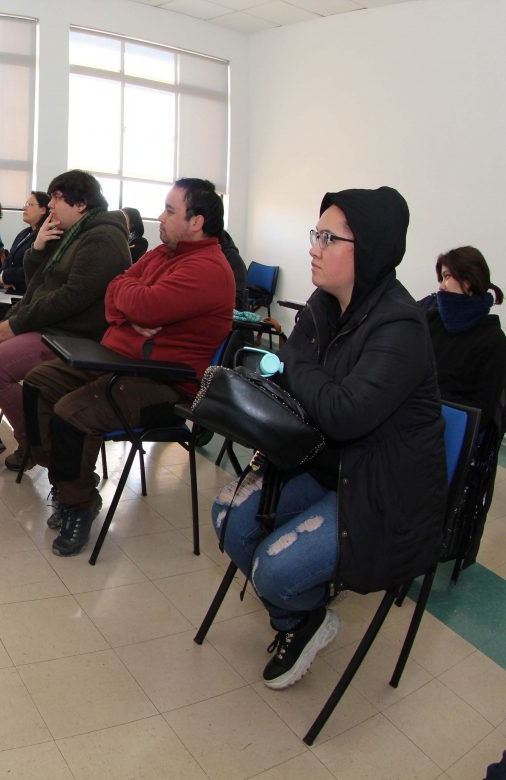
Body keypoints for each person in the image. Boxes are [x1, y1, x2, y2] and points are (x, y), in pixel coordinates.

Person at [212, 186, 445, 691]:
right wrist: (300, 369)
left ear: (371, 250)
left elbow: (341, 414)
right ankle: (300, 615)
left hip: (384, 493)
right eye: (314, 234)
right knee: (229, 516)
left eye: (328, 237)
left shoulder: (400, 326)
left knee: (274, 569)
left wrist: (297, 362)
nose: (313, 248)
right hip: (325, 464)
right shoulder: (323, 305)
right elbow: (309, 391)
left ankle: (302, 611)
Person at [24, 178, 235, 556]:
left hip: (164, 384)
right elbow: (116, 286)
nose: (160, 217)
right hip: (119, 362)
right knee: (39, 384)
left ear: (197, 221)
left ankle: (78, 503)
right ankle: (69, 481)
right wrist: (131, 306)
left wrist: (133, 307)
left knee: (72, 413)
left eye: (170, 211)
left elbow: (143, 305)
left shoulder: (207, 269)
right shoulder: (163, 254)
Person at [0, 171, 129, 471]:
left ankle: (34, 441)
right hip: (49, 325)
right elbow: (38, 285)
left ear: (81, 204)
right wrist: (38, 249)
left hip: (72, 336)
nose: (51, 206)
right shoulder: (72, 233)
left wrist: (17, 325)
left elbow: (72, 297)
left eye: (57, 198)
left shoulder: (103, 237)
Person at [420, 246, 506, 428]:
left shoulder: (493, 340)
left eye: (447, 276)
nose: (441, 285)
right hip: (410, 419)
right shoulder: (431, 320)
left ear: (468, 281)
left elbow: (482, 412)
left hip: (447, 430)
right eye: (442, 278)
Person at [0, 191, 50, 295]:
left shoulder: (45, 236)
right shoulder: (25, 233)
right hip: (11, 290)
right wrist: (1, 278)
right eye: (25, 204)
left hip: (27, 293)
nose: (24, 208)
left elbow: (33, 267)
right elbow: (8, 259)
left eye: (29, 204)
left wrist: (5, 276)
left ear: (43, 210)